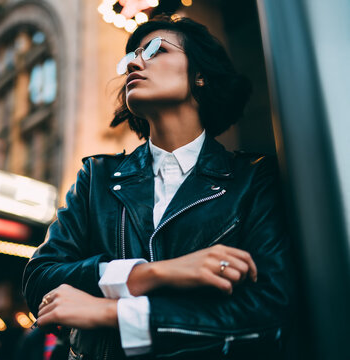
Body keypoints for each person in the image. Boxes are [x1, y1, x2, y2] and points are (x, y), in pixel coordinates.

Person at [23, 15, 292, 359]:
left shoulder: (252, 179)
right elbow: (40, 281)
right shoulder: (97, 177)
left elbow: (267, 311)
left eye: (156, 50)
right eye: (131, 57)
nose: (134, 62)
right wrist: (151, 275)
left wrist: (111, 312)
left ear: (200, 75)